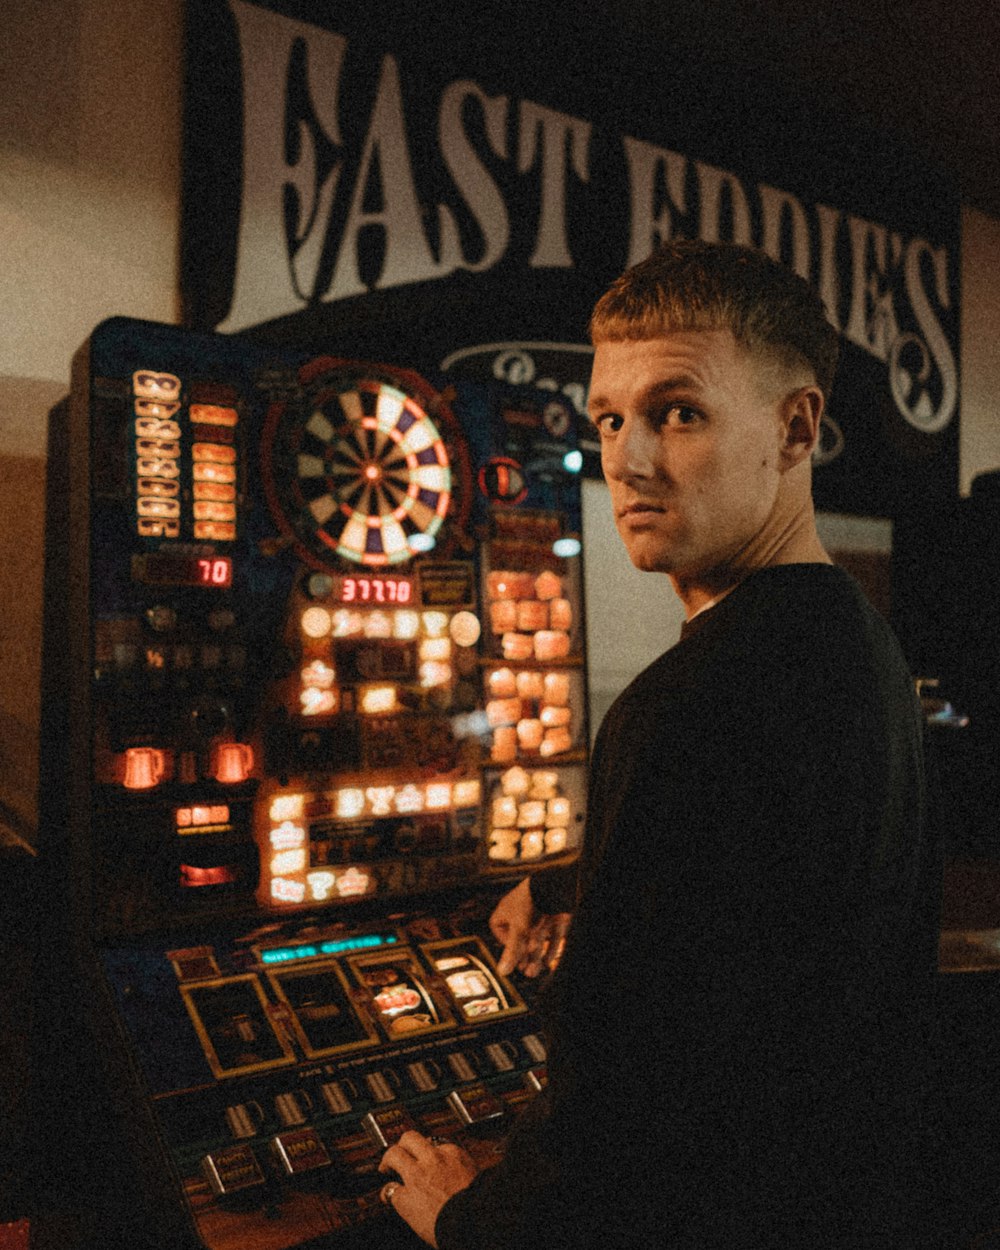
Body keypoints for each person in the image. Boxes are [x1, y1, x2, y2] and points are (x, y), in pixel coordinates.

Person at [379, 240, 939, 1248]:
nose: (628, 459)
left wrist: (469, 1215)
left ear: (794, 426)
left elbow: (614, 1120)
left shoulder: (686, 703)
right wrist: (565, 882)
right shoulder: (856, 644)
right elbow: (770, 905)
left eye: (678, 412)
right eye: (609, 419)